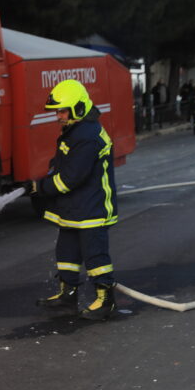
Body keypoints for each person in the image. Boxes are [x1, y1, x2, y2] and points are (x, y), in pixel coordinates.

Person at [31, 79, 119, 320]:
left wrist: (42, 188)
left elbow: (71, 177)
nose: (58, 116)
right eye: (56, 111)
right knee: (66, 252)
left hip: (92, 207)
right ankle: (67, 296)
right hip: (74, 207)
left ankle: (105, 301)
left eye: (62, 110)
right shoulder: (75, 131)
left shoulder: (88, 136)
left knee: (95, 257)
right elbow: (60, 165)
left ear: (78, 108)